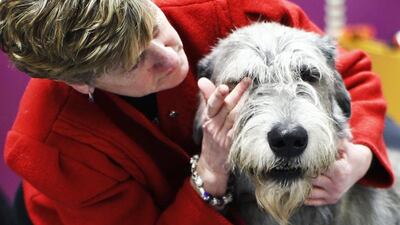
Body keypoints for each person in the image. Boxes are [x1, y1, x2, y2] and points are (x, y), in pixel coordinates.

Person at [0, 0, 394, 224]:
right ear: (82, 83)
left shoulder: (227, 8)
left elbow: (350, 72)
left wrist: (358, 156)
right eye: (133, 61)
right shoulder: (53, 142)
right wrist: (210, 173)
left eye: (154, 29)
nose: (169, 57)